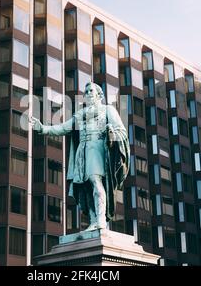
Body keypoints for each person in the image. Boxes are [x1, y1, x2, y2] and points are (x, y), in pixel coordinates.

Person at [30, 82, 130, 231]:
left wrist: (111, 133)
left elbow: (121, 131)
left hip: (97, 149)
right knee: (85, 187)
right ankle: (93, 220)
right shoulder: (80, 115)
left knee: (95, 181)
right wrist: (43, 128)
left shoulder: (107, 110)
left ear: (99, 94)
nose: (88, 93)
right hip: (82, 151)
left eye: (91, 90)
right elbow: (63, 128)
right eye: (86, 91)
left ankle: (101, 219)